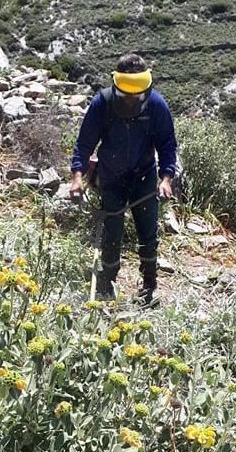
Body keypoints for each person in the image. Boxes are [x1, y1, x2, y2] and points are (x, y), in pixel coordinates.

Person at [70, 53, 178, 306]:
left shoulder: (156, 105)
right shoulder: (102, 103)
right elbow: (84, 144)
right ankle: (107, 286)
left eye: (136, 95)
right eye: (126, 95)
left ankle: (149, 286)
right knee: (111, 232)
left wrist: (166, 178)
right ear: (116, 85)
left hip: (144, 176)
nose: (131, 99)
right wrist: (77, 176)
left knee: (148, 233)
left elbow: (167, 145)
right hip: (111, 177)